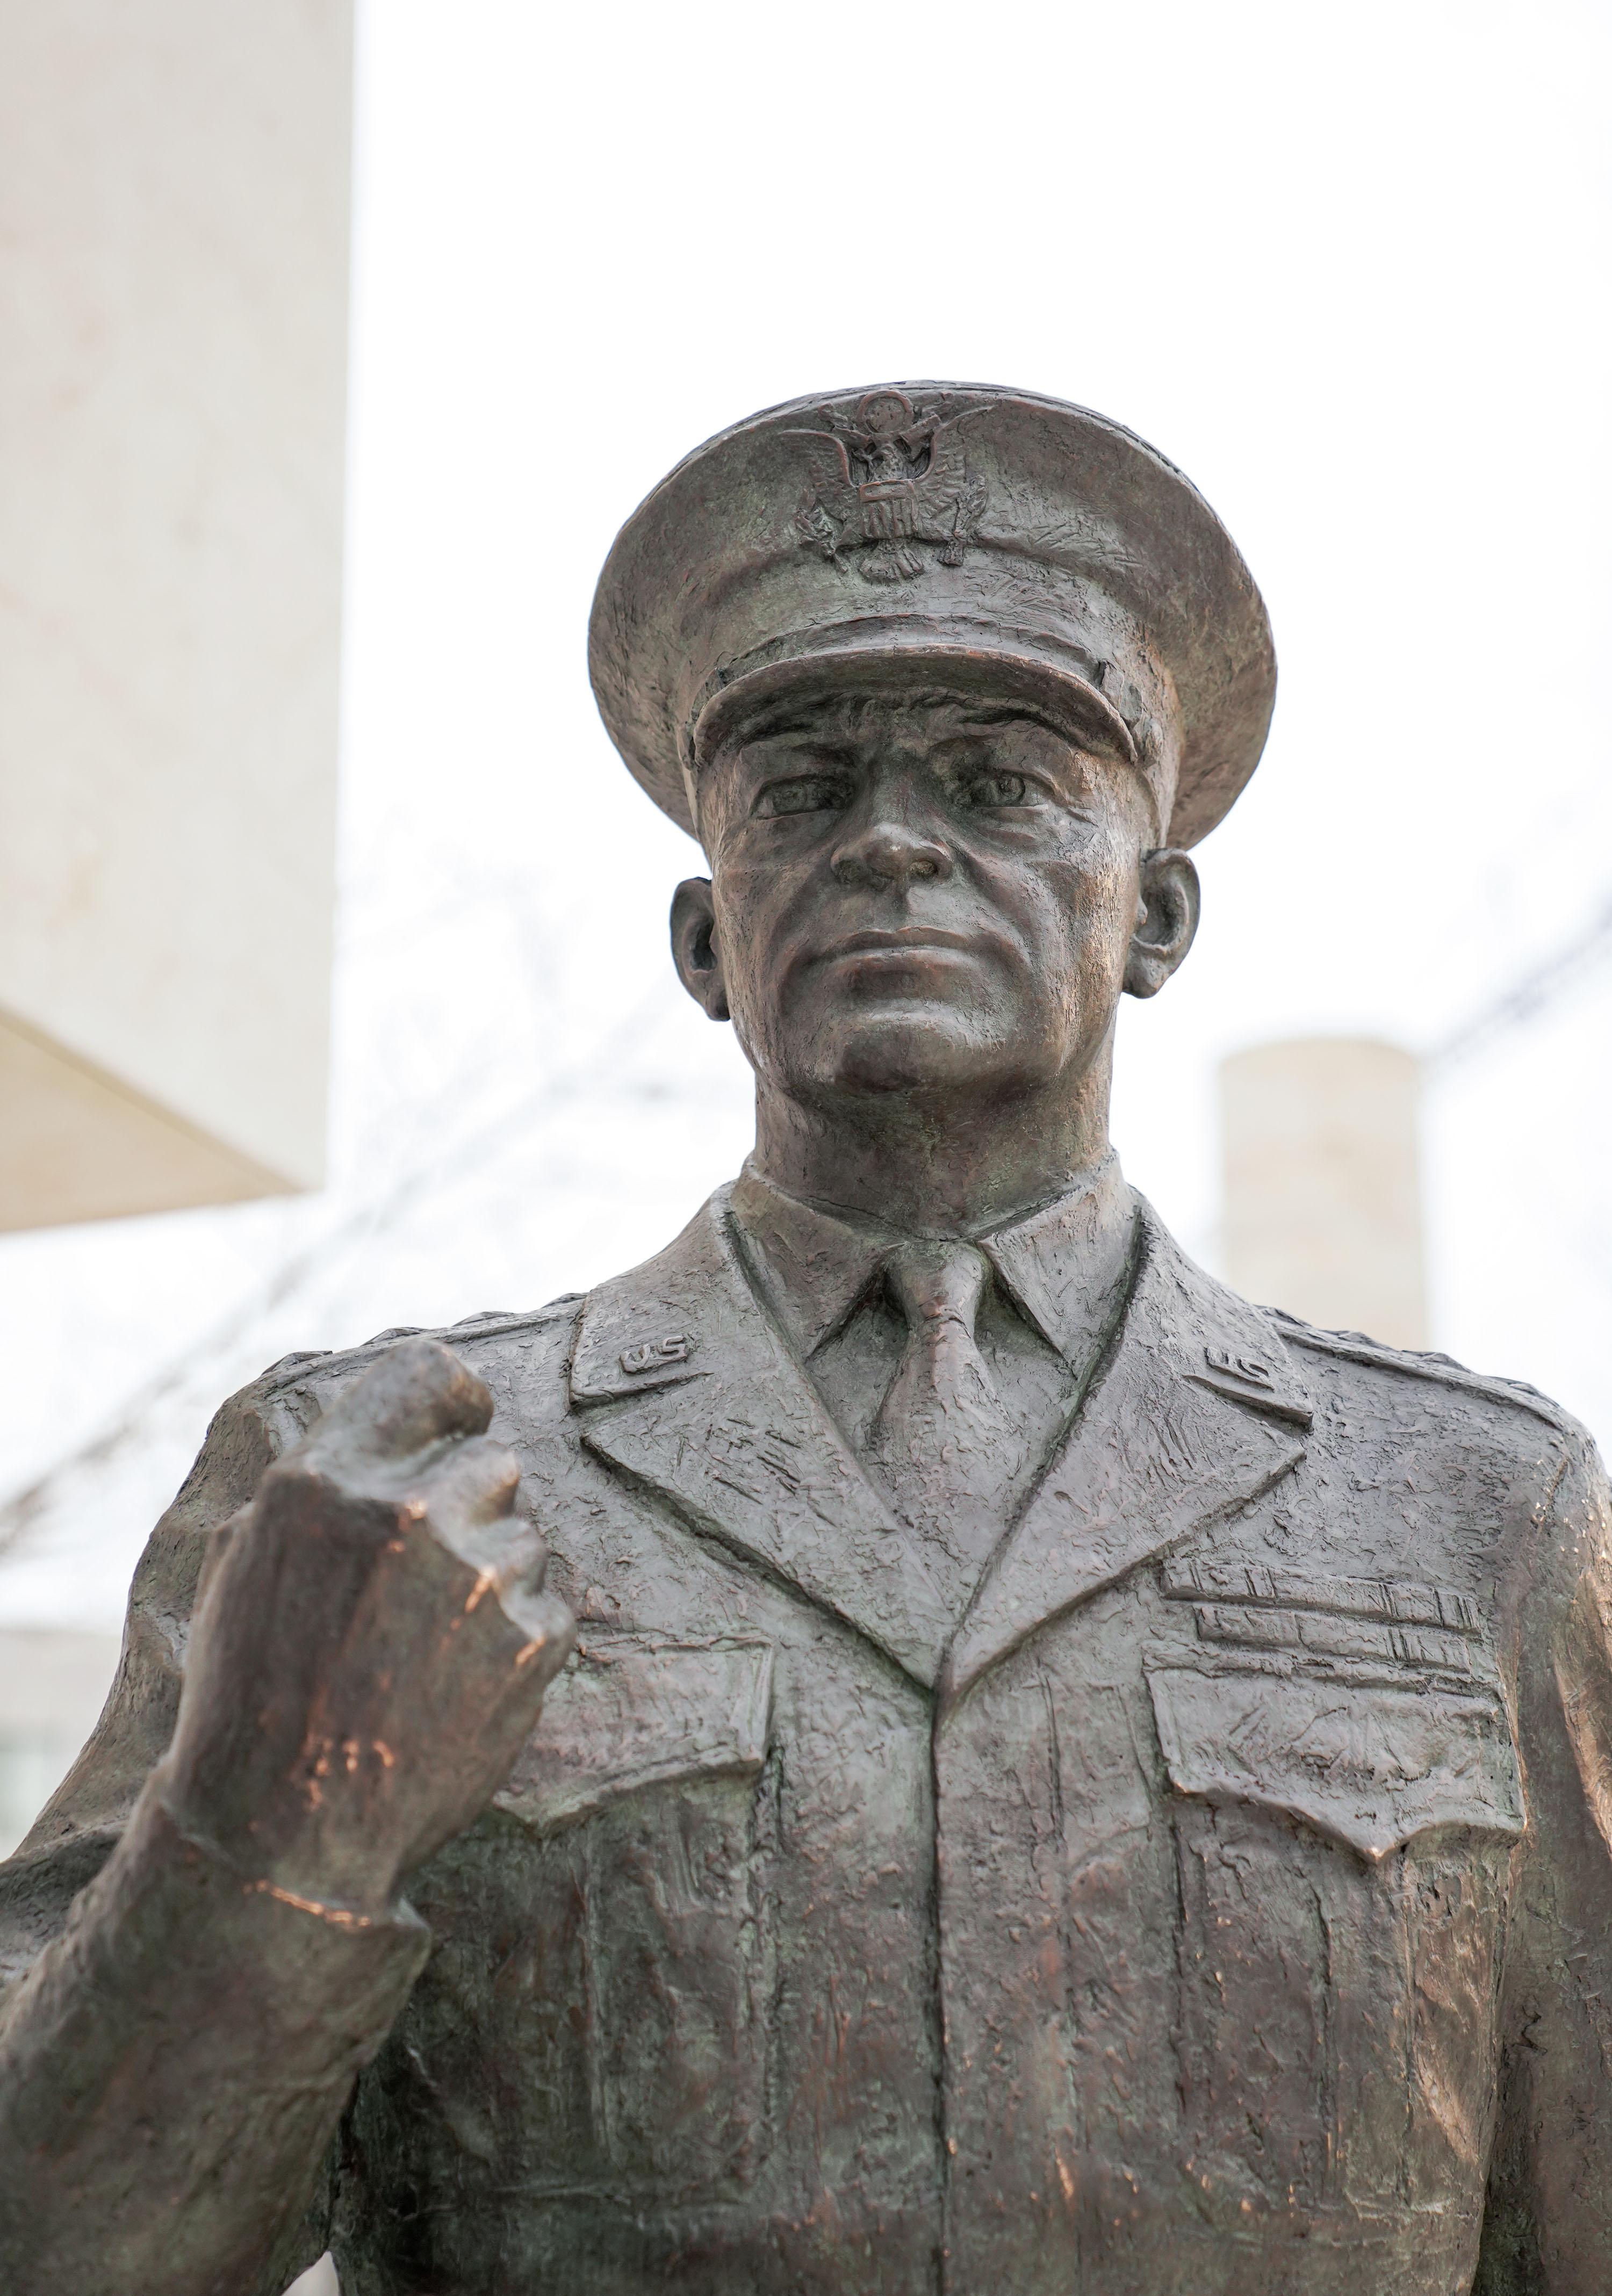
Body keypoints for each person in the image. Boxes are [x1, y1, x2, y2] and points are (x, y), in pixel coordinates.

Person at [2, 384, 1608, 2296]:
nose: (894, 847)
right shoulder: (375, 1489)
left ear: (1158, 912)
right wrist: (258, 1823)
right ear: (706, 936)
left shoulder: (1471, 1522)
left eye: (1003, 782)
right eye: (803, 789)